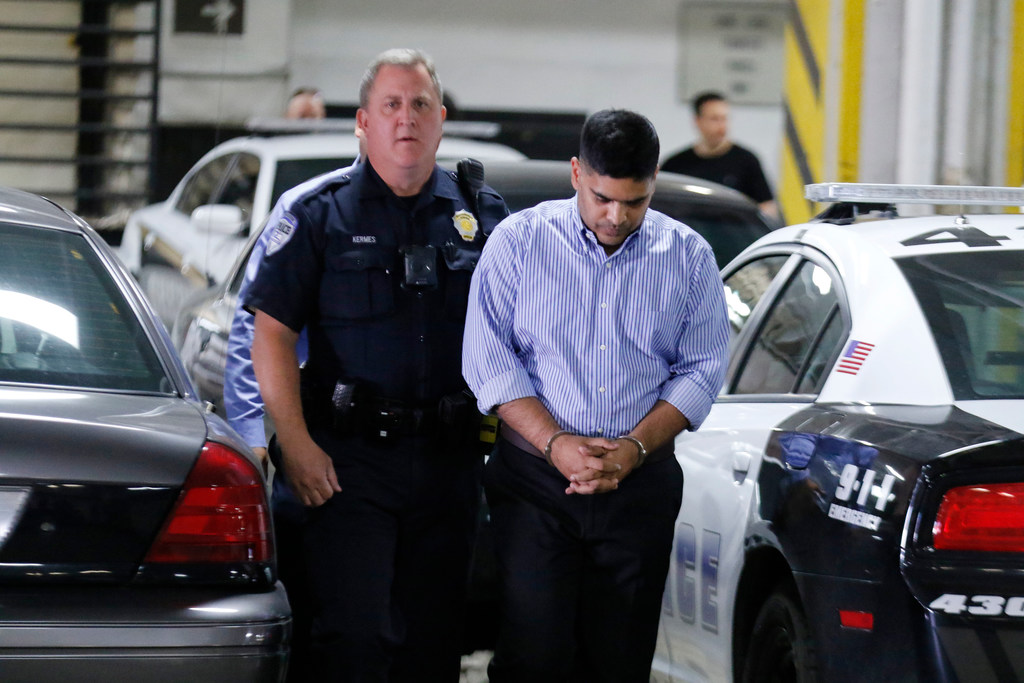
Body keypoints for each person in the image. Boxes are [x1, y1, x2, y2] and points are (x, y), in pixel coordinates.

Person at [244, 48, 508, 681]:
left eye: (420, 104)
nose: (406, 119)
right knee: (351, 641)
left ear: (441, 119)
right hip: (347, 467)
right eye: (390, 105)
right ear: (363, 122)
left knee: (433, 646)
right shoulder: (320, 214)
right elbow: (271, 334)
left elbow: (525, 336)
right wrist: (295, 445)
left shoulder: (486, 219)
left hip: (448, 467)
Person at [462, 108, 730, 682]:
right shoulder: (518, 243)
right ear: (577, 172)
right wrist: (554, 441)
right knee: (534, 656)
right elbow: (488, 359)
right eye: (603, 198)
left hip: (639, 490)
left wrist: (634, 447)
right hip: (534, 487)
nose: (616, 216)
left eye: (634, 202)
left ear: (653, 179)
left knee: (619, 661)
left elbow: (703, 369)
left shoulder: (689, 257)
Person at [223, 128, 364, 683]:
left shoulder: (456, 210)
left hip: (416, 461)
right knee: (312, 611)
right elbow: (251, 332)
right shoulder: (310, 208)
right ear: (363, 122)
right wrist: (256, 436)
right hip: (311, 439)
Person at [661, 91, 779, 220]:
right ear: (698, 121)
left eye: (724, 118)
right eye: (714, 119)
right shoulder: (675, 165)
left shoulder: (746, 161)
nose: (722, 126)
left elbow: (767, 208)